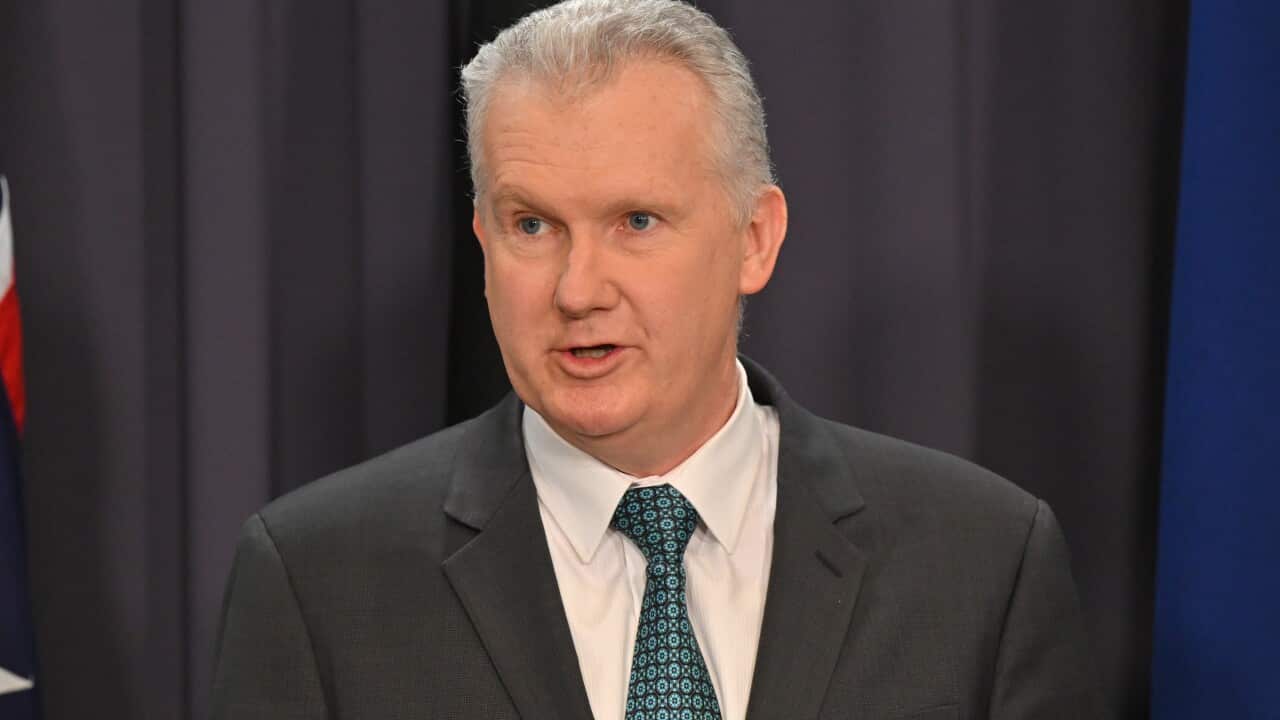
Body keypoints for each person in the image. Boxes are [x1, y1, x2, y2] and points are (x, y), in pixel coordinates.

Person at [210, 1, 1104, 718]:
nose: (576, 288)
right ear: (482, 243)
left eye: (636, 221)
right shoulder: (318, 579)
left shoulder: (983, 561)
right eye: (532, 226)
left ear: (755, 239)